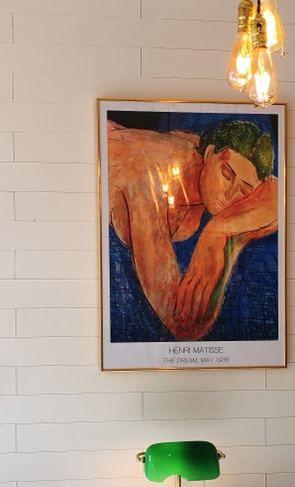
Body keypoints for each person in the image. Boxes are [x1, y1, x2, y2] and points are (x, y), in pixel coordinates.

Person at [107, 116, 278, 342]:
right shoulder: (149, 182)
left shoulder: (203, 155)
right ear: (209, 153)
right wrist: (219, 237)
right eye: (226, 174)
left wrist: (224, 230)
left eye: (244, 191)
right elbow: (180, 323)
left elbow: (276, 191)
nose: (229, 195)